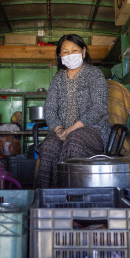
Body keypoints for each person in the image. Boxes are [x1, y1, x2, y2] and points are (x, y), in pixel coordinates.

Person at [36, 34, 111, 188]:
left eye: (74, 50)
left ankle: (71, 197)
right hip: (62, 132)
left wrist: (71, 129)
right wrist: (58, 130)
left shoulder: (95, 74)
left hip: (92, 130)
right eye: (65, 52)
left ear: (83, 52)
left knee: (74, 143)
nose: (70, 55)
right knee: (48, 148)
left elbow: (99, 108)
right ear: (60, 56)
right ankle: (46, 198)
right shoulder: (57, 79)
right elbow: (50, 109)